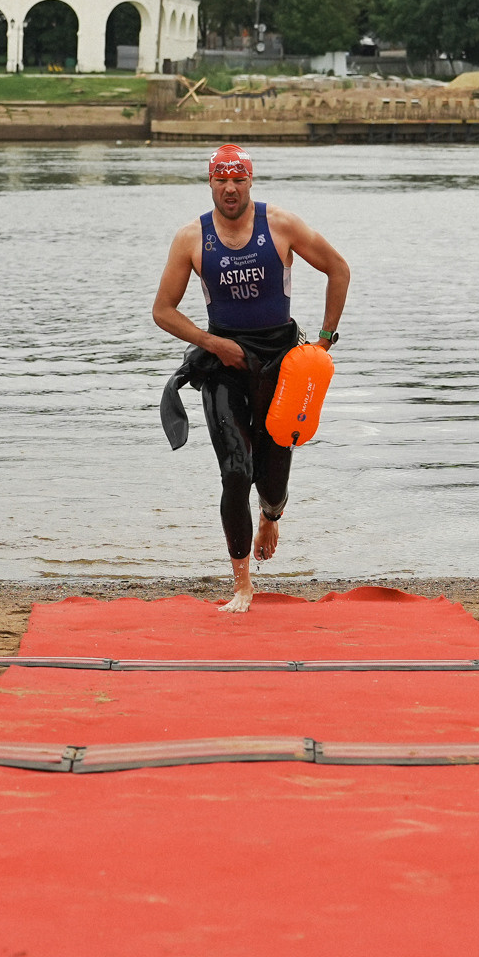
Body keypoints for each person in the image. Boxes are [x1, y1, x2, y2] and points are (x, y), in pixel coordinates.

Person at [153, 143, 349, 613]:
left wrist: (322, 342)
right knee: (235, 471)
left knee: (272, 476)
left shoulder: (279, 225)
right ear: (211, 183)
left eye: (238, 179)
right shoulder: (190, 239)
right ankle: (242, 584)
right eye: (221, 180)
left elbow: (338, 269)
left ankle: (272, 515)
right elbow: (163, 311)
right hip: (223, 361)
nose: (230, 188)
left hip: (280, 361)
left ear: (250, 182)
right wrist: (212, 344)